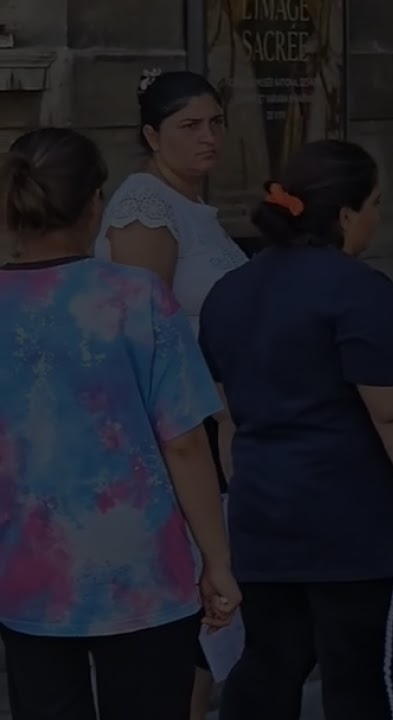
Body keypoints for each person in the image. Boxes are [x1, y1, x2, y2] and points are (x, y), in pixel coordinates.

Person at [0, 128, 239, 719]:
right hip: (144, 569)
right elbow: (184, 444)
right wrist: (217, 562)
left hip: (26, 567)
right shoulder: (136, 297)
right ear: (94, 203)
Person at [199, 140, 393, 720]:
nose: (378, 218)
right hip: (360, 528)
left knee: (268, 667)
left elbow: (228, 417)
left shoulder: (229, 292)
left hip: (265, 517)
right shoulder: (358, 290)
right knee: (364, 681)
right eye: (375, 203)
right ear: (347, 213)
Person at [92, 69, 247, 716]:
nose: (208, 136)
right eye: (189, 125)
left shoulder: (189, 207)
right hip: (177, 432)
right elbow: (140, 338)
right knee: (192, 619)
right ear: (152, 135)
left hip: (217, 422)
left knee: (211, 626)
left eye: (215, 122)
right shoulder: (144, 206)